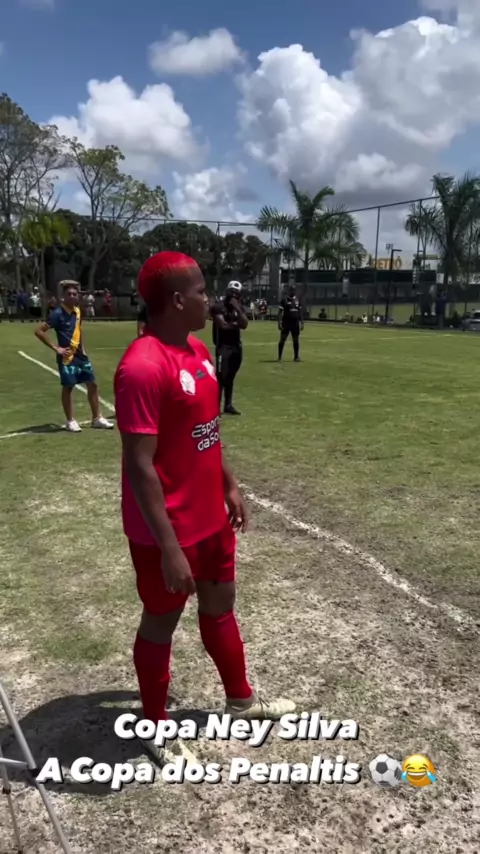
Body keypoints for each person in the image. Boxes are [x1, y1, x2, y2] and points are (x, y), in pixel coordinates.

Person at [114, 252, 294, 768]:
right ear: (176, 300)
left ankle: (240, 701)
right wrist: (170, 549)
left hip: (210, 517)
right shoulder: (142, 367)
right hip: (167, 531)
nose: (208, 299)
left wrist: (229, 484)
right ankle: (154, 726)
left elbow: (205, 434)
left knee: (221, 606)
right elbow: (140, 466)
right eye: (200, 291)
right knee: (160, 622)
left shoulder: (196, 349)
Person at [34, 280, 114, 433]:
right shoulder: (57, 314)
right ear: (63, 296)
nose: (72, 296)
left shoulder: (78, 311)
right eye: (69, 294)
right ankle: (70, 420)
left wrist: (83, 348)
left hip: (81, 356)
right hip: (67, 357)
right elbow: (39, 331)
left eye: (74, 294)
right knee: (68, 387)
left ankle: (97, 418)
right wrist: (56, 348)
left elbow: (78, 330)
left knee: (92, 384)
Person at [211, 281, 248, 416]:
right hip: (223, 346)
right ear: (227, 291)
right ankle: (215, 407)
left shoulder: (238, 307)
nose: (233, 295)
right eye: (231, 291)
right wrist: (237, 324)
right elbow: (223, 326)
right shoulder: (219, 306)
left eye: (236, 293)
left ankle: (228, 405)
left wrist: (237, 309)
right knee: (221, 377)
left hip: (236, 346)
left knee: (231, 376)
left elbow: (245, 324)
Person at [278, 285, 304, 362]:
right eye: (292, 290)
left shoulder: (297, 300)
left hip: (295, 323)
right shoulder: (284, 300)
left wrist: (302, 322)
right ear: (289, 291)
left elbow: (300, 312)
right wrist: (279, 322)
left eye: (294, 290)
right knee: (282, 340)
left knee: (296, 340)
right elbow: (280, 312)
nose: (293, 292)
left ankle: (296, 357)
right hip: (286, 323)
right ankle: (279, 357)